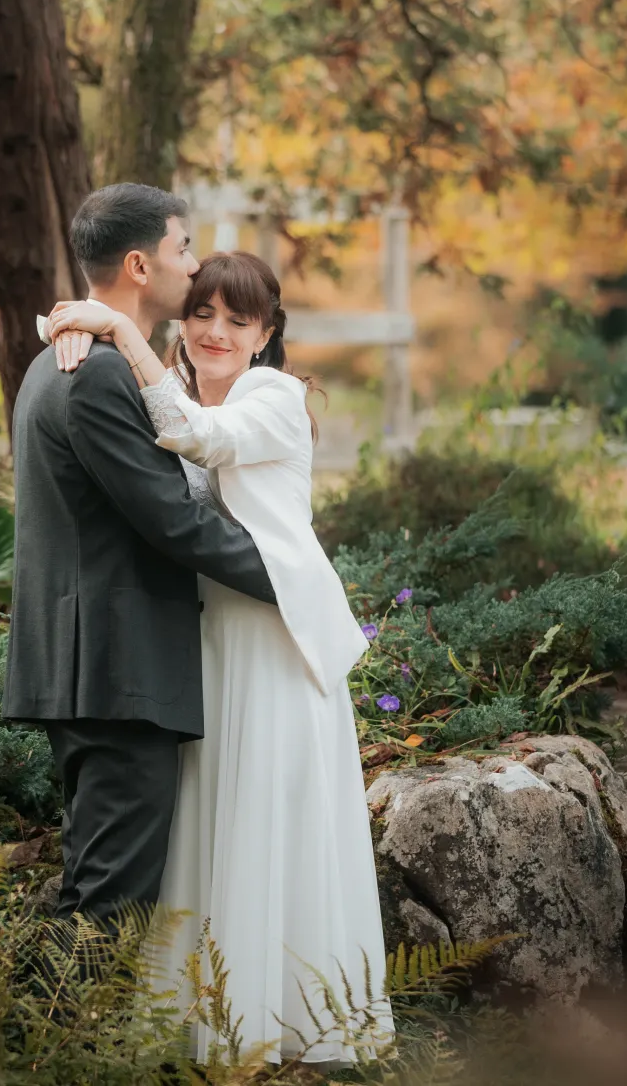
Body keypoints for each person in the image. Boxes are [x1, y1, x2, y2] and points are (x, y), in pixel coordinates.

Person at [44, 250, 393, 1065]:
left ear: (266, 335)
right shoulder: (167, 378)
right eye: (202, 313)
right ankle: (204, 1028)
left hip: (273, 640)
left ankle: (283, 1028)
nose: (215, 333)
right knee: (213, 818)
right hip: (208, 639)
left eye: (239, 321)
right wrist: (77, 329)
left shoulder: (272, 396)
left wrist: (115, 326)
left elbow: (192, 437)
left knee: (268, 817)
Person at [2, 184, 277, 929]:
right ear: (139, 264)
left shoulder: (71, 362)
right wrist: (290, 577)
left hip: (100, 671)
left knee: (97, 889)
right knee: (108, 908)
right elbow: (172, 521)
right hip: (114, 672)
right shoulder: (91, 375)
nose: (194, 267)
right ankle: (59, 1046)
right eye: (183, 248)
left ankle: (48, 1042)